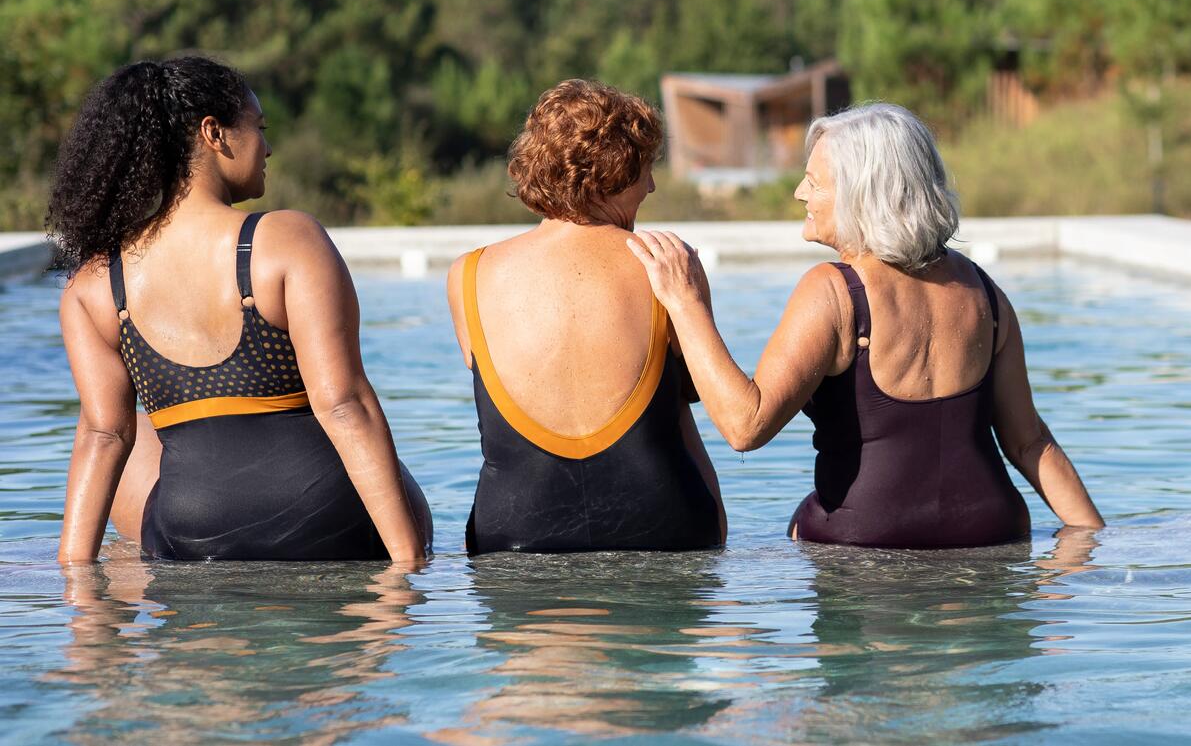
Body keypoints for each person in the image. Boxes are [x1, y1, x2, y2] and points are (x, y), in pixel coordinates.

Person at [631, 102, 1102, 548]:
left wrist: (686, 301)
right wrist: (1093, 538)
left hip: (863, 547)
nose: (799, 193)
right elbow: (1029, 441)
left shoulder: (834, 291)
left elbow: (745, 427)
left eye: (814, 183)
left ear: (863, 195)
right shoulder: (985, 293)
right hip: (993, 531)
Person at [49, 56, 430, 563]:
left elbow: (103, 436)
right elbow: (344, 405)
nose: (267, 147)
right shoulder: (287, 240)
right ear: (214, 133)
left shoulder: (95, 284)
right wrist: (409, 564)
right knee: (397, 474)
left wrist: (75, 580)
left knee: (125, 435)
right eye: (259, 127)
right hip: (331, 522)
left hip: (195, 534)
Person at [449, 79, 724, 554]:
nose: (653, 185)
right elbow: (691, 403)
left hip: (513, 530)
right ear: (615, 170)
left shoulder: (467, 275)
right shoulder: (667, 266)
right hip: (664, 523)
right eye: (645, 168)